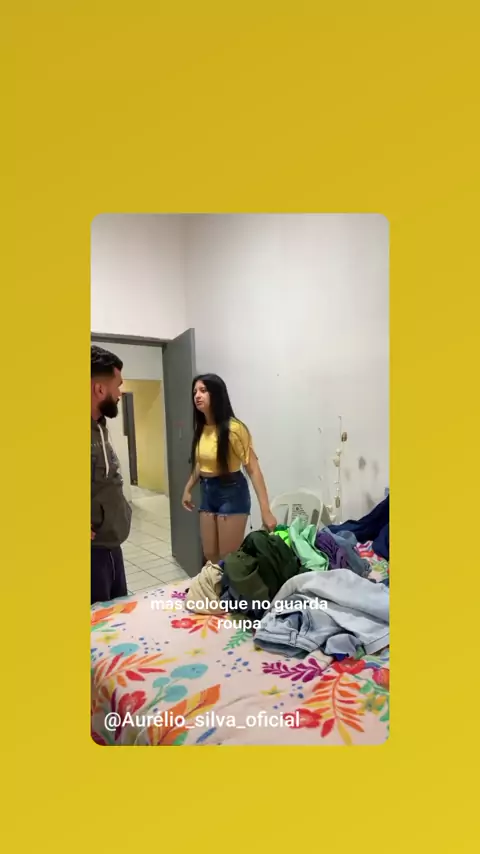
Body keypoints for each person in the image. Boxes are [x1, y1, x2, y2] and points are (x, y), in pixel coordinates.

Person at [182, 374, 277, 564]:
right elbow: (202, 463)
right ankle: (214, 584)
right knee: (210, 554)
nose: (197, 396)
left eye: (203, 390)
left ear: (216, 394)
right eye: (195, 392)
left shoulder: (234, 429)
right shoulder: (202, 428)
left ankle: (229, 585)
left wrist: (265, 510)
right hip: (208, 491)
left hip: (231, 491)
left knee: (228, 558)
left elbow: (253, 469)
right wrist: (188, 488)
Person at [91, 345, 132, 605]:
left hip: (111, 545)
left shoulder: (99, 425)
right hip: (91, 554)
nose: (119, 393)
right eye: (117, 385)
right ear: (99, 389)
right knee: (97, 622)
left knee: (118, 613)